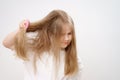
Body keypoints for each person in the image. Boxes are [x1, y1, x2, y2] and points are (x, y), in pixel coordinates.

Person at [3, 9, 83, 80]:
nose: (66, 38)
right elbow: (6, 43)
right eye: (61, 34)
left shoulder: (74, 59)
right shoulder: (34, 45)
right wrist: (21, 29)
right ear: (51, 33)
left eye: (69, 34)